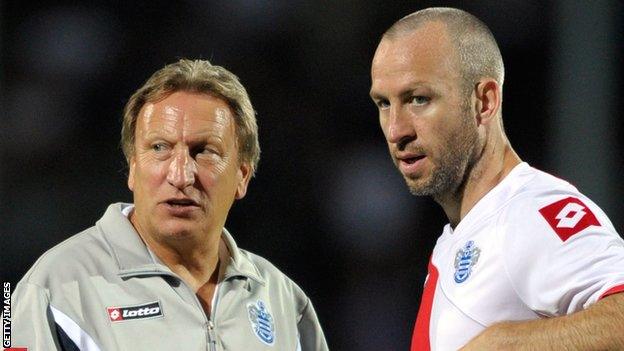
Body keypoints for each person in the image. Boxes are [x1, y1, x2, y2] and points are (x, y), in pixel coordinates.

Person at [11, 59, 329, 351]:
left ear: (242, 176)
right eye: (160, 148)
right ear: (133, 167)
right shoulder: (54, 289)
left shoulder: (283, 301)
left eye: (204, 150)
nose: (180, 175)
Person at [369, 7, 624, 351]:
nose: (397, 130)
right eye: (384, 103)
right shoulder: (461, 235)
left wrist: (509, 344)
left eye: (419, 99)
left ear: (484, 101)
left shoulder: (533, 211)